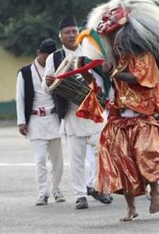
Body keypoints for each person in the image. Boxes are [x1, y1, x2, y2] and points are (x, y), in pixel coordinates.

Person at [84, 0, 159, 221]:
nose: (114, 40)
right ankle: (131, 207)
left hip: (143, 117)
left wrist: (114, 73)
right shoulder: (114, 59)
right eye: (111, 37)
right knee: (121, 163)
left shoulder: (143, 56)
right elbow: (105, 82)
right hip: (119, 117)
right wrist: (106, 71)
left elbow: (140, 78)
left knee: (148, 155)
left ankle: (155, 192)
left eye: (116, 36)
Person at [42, 16, 107, 209]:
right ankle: (80, 196)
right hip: (71, 112)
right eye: (67, 32)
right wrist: (47, 83)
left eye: (74, 31)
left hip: (93, 109)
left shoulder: (89, 51)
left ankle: (96, 186)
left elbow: (101, 79)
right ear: (60, 36)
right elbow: (46, 87)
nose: (71, 35)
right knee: (76, 158)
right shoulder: (55, 57)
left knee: (103, 153)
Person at [16, 38, 66, 206]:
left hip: (54, 119)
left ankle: (56, 189)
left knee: (57, 159)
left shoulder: (58, 69)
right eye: (46, 56)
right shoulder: (24, 72)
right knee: (40, 160)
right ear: (39, 53)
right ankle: (42, 193)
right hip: (35, 120)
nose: (48, 60)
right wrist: (21, 122)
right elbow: (20, 98)